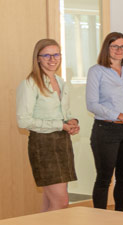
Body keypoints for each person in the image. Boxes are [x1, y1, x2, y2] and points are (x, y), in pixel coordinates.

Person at [16, 38, 80, 212]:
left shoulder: (60, 82)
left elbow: (63, 114)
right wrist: (60, 125)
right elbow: (23, 121)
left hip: (62, 142)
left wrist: (71, 121)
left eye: (56, 54)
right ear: (38, 58)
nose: (53, 59)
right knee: (61, 201)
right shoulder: (30, 84)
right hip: (43, 145)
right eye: (47, 55)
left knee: (50, 199)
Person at [86, 32, 123, 212]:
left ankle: (121, 217)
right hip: (106, 130)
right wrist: (121, 115)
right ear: (107, 48)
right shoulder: (96, 71)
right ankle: (100, 220)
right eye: (115, 46)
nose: (119, 50)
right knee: (104, 178)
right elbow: (92, 104)